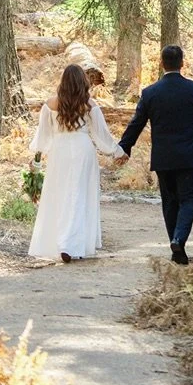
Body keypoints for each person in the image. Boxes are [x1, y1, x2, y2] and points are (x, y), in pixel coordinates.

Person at [119, 44, 193, 265]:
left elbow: (137, 123)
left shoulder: (150, 93)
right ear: (182, 63)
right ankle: (178, 239)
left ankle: (177, 248)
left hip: (163, 158)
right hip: (190, 157)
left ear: (162, 63)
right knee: (189, 199)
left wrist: (125, 148)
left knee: (169, 202)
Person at [28, 63, 127, 262]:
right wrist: (117, 152)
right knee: (80, 195)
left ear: (63, 82)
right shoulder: (90, 104)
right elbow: (101, 135)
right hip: (83, 150)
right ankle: (72, 244)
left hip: (60, 151)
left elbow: (43, 137)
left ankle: (63, 242)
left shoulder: (50, 104)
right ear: (83, 82)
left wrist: (37, 156)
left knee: (61, 195)